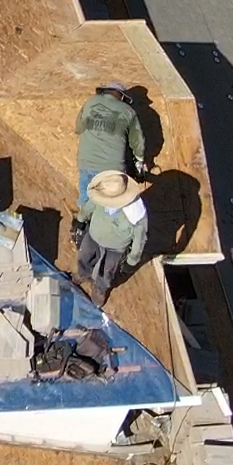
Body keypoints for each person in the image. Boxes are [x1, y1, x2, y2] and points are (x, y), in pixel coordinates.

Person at [72, 170, 149, 306]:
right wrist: (80, 219)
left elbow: (139, 239)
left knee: (107, 271)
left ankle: (100, 289)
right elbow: (90, 205)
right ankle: (82, 273)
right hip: (93, 235)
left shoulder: (137, 214)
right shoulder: (104, 190)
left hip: (115, 249)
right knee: (85, 256)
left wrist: (132, 261)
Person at [73, 81, 146, 209]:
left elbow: (78, 128)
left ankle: (82, 224)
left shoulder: (90, 103)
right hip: (112, 168)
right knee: (110, 205)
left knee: (86, 200)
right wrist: (139, 165)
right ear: (122, 96)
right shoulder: (128, 111)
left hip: (86, 162)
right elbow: (138, 143)